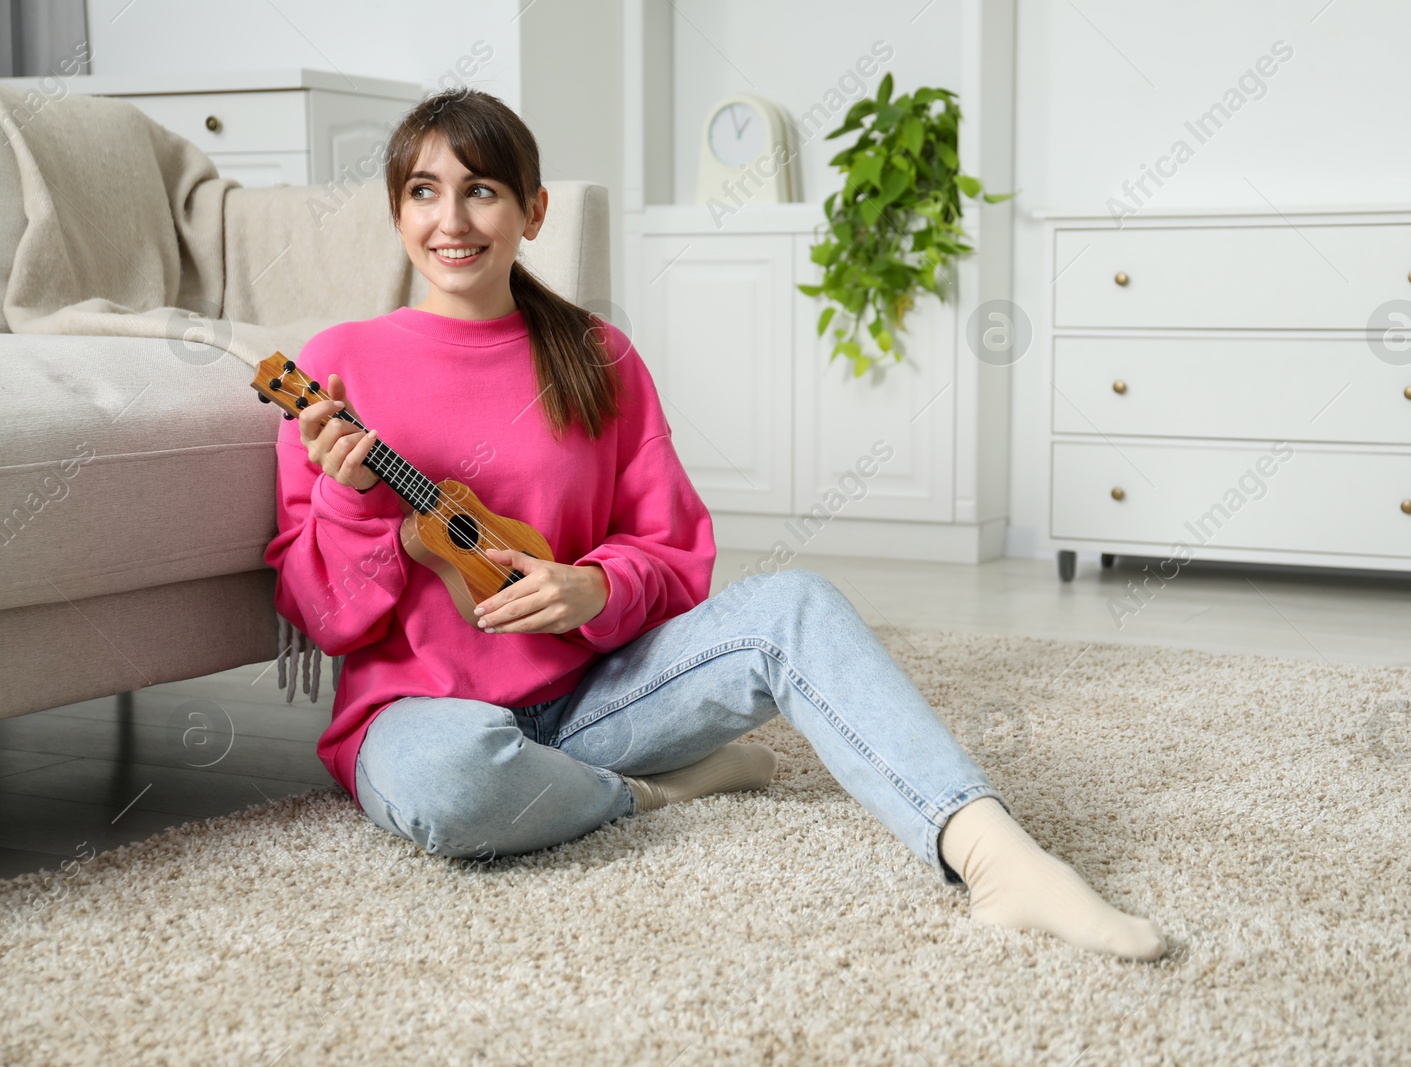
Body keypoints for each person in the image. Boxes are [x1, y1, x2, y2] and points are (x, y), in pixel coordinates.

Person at [264, 88, 1165, 963]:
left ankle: (995, 855)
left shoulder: (596, 354)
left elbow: (673, 551)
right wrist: (346, 499)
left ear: (533, 211)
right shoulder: (337, 366)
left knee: (795, 605)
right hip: (423, 718)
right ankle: (644, 793)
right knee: (451, 783)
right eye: (424, 191)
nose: (451, 219)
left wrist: (595, 585)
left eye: (482, 190)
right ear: (396, 213)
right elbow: (320, 615)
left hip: (593, 699)